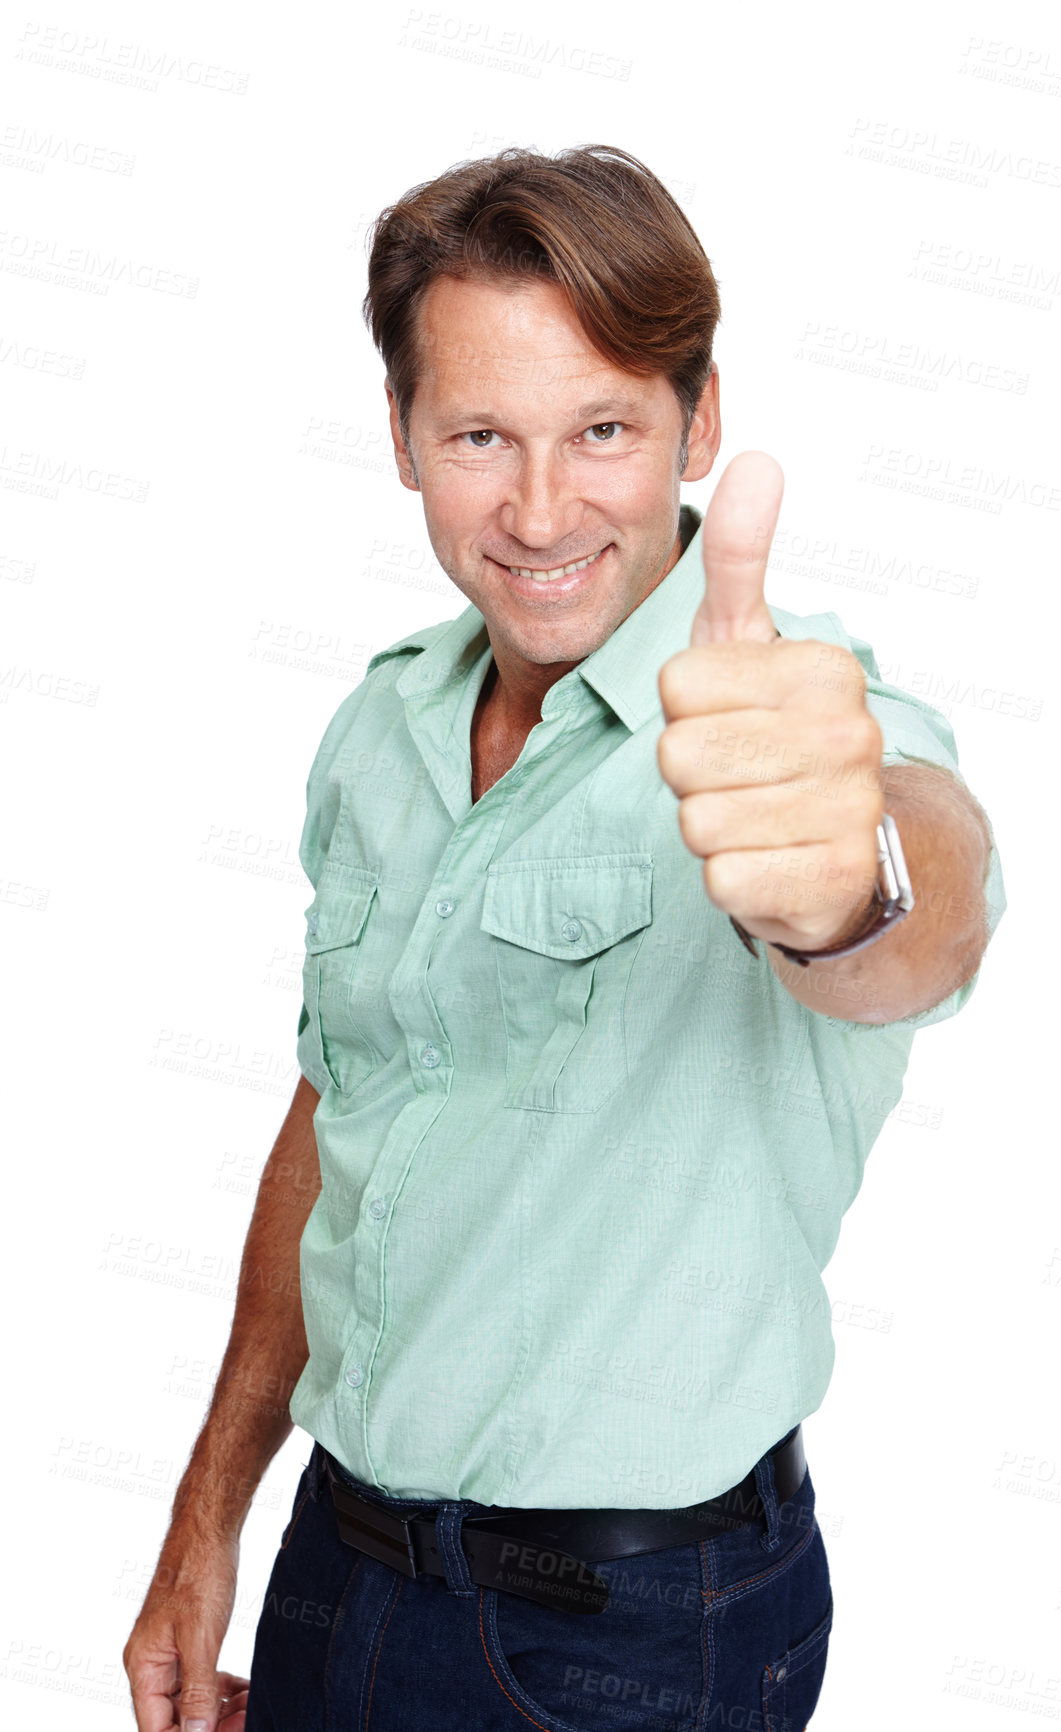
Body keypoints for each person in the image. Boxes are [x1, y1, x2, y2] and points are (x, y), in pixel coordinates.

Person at [123, 144, 1006, 1732]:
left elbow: (917, 915)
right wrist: (211, 1517)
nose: (540, 511)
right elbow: (341, 1119)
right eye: (480, 436)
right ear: (401, 436)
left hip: (626, 1636)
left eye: (603, 430)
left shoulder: (791, 714)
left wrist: (851, 867)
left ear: (700, 421)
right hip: (340, 1564)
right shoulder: (380, 723)